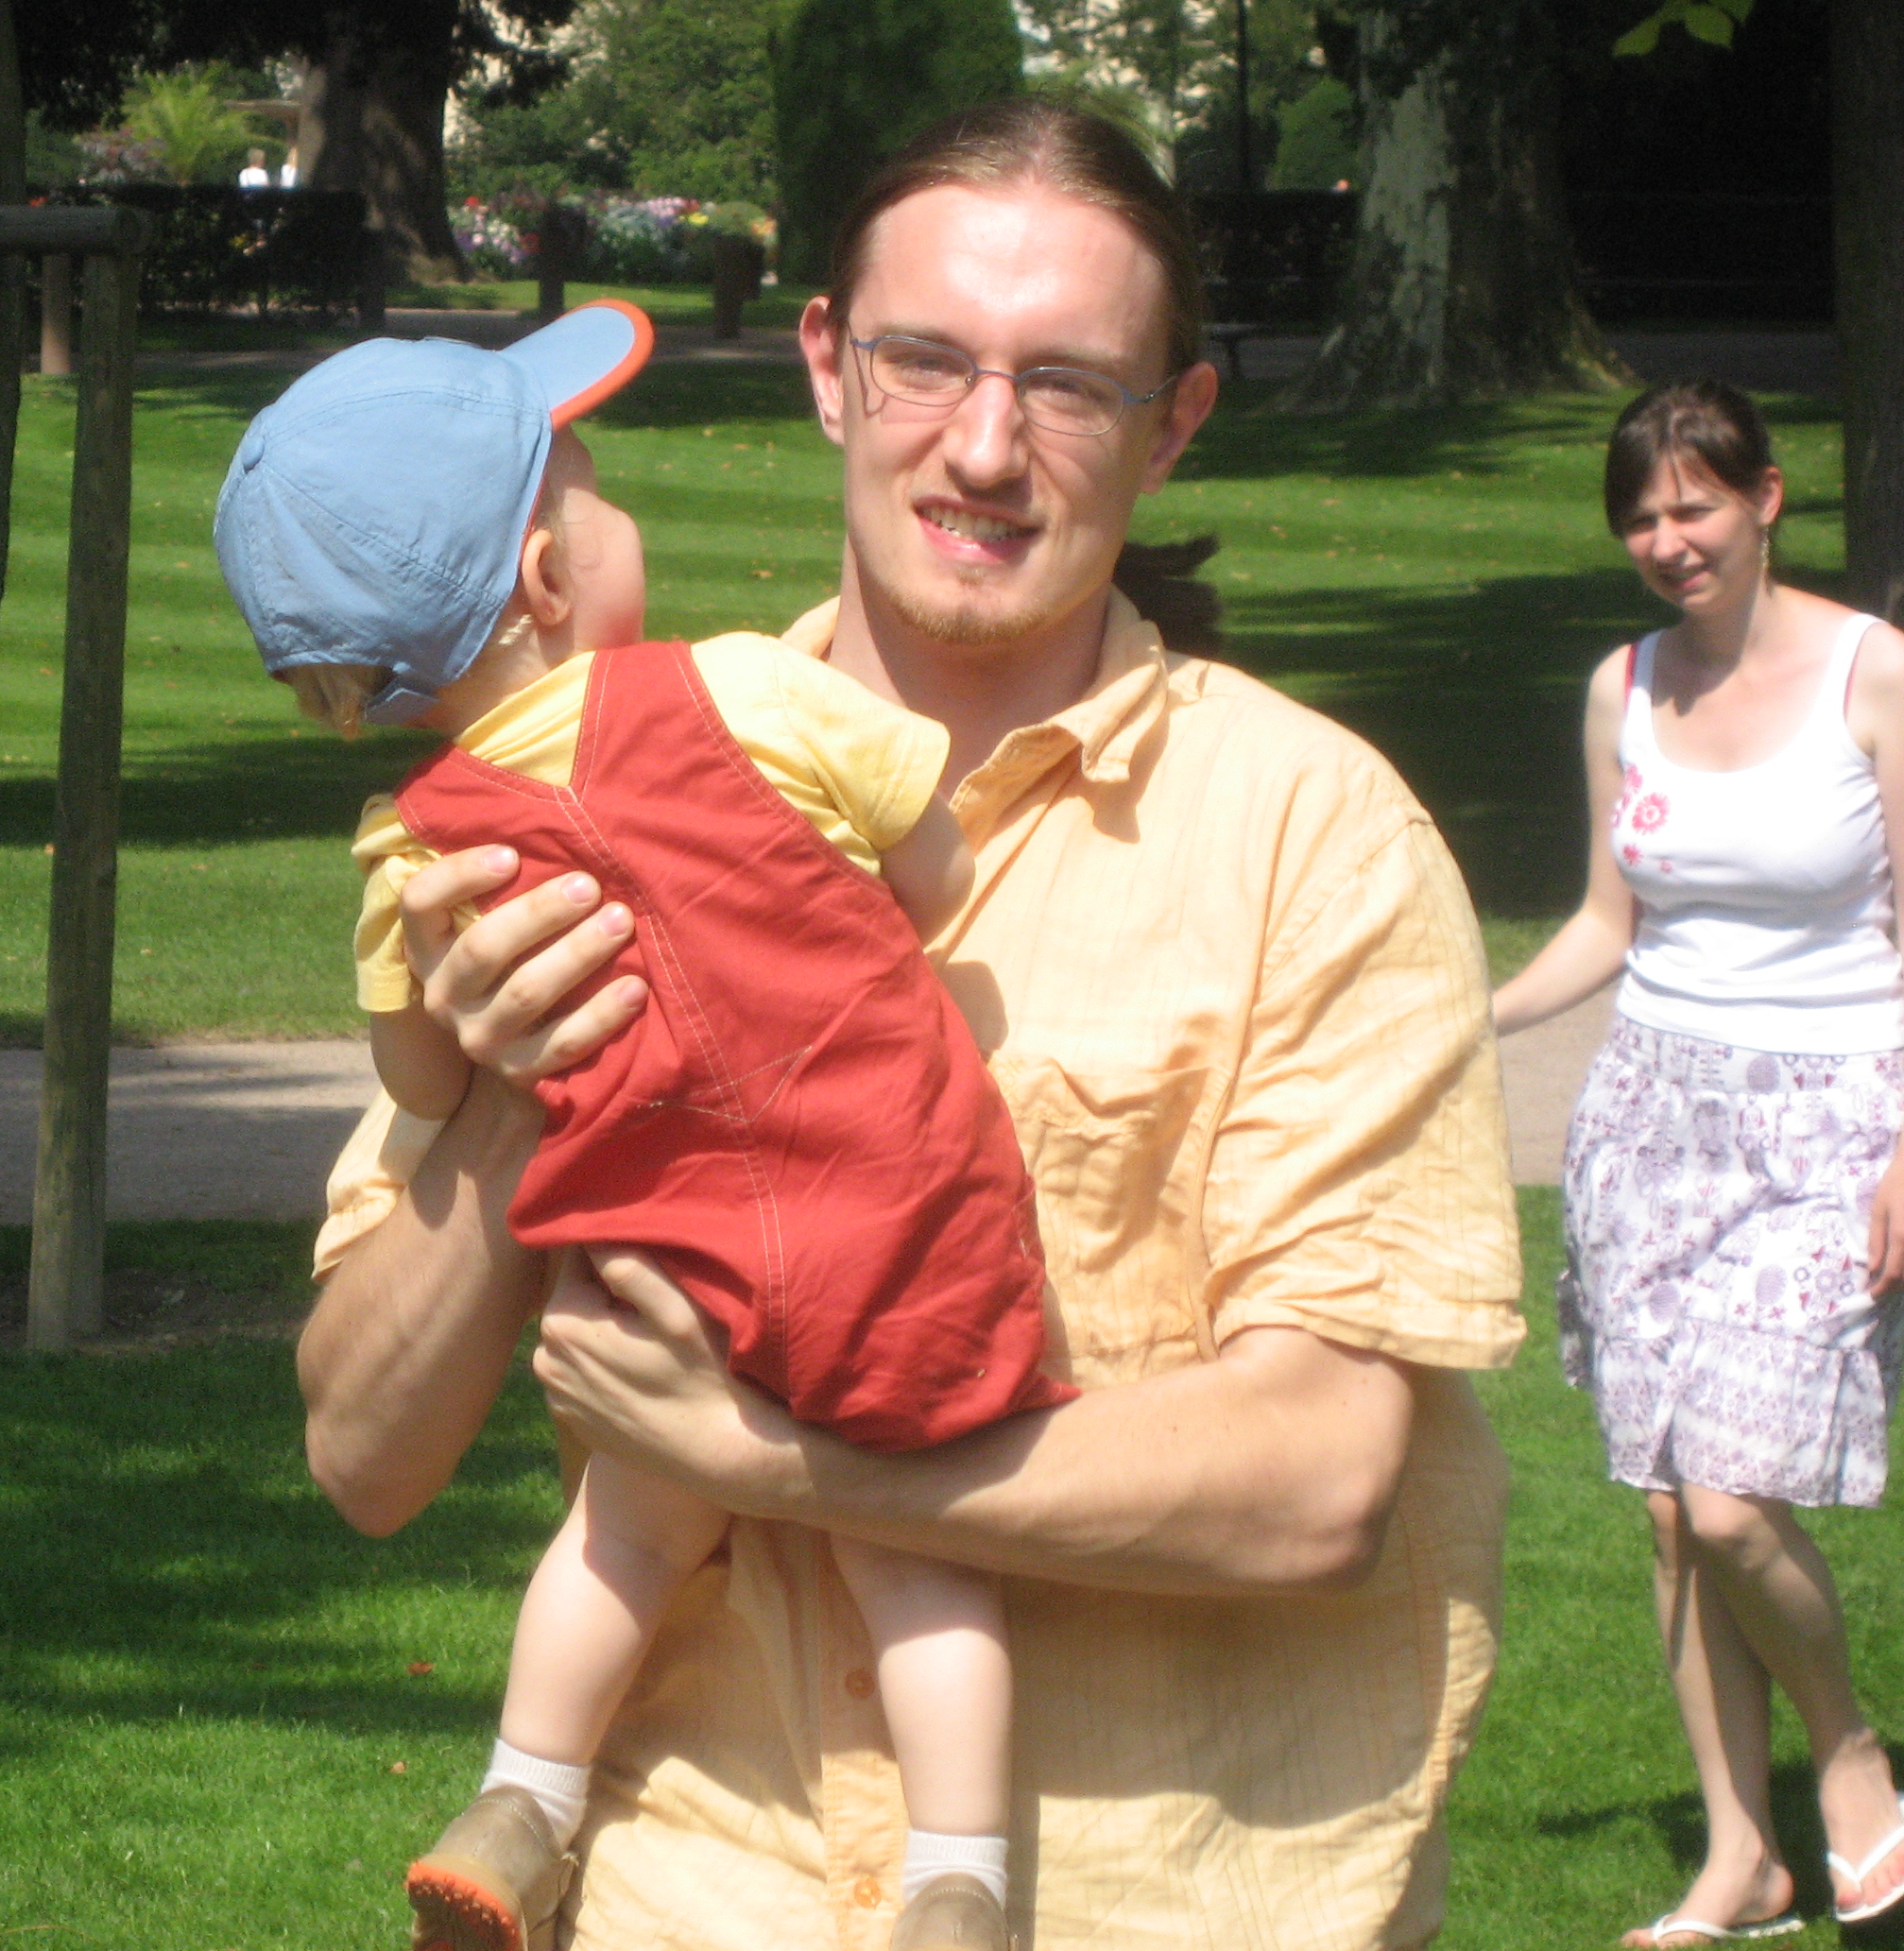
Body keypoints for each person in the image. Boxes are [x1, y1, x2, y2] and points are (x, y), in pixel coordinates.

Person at [300, 96, 1524, 1951]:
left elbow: (1320, 1482)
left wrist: (778, 1465)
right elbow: (363, 1455)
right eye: (926, 361)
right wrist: (517, 1095)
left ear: (1174, 422)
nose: (983, 446)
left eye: (1068, 385)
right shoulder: (555, 819)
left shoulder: (1314, 838)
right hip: (690, 1902)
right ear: (827, 365)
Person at [214, 299, 1071, 1951]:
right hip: (894, 1228)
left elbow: (422, 1082)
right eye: (591, 487)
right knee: (923, 1558)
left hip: (660, 1258)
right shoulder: (748, 690)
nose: (617, 506)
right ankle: (962, 1879)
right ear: (549, 575)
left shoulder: (414, 853)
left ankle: (523, 1799)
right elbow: (934, 867)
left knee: (623, 1525)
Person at [1491, 380, 1904, 1949]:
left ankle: (1848, 1756)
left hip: (1835, 1121)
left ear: (1767, 499)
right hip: (1650, 1126)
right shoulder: (1624, 685)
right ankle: (1742, 1859)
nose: (1669, 541)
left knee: (1732, 1503)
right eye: (1642, 518)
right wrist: (1467, 1019)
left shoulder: (1874, 674)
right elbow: (1610, 921)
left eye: (1696, 506)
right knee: (1668, 1511)